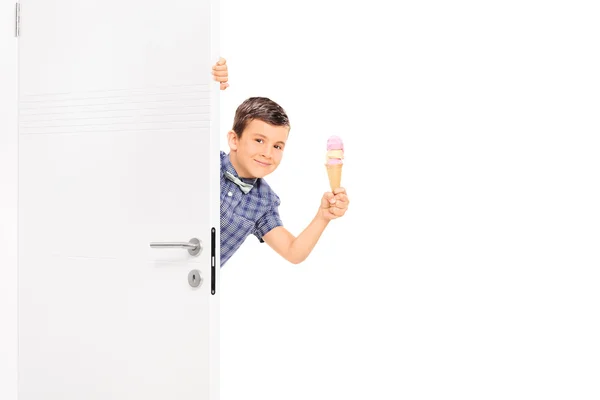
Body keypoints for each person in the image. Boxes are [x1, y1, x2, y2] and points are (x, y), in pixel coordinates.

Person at [211, 58, 350, 267]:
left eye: (277, 146)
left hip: (194, 290)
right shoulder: (205, 160)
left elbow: (293, 252)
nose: (268, 153)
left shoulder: (263, 201)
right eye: (259, 140)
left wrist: (323, 216)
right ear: (234, 140)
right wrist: (209, 87)